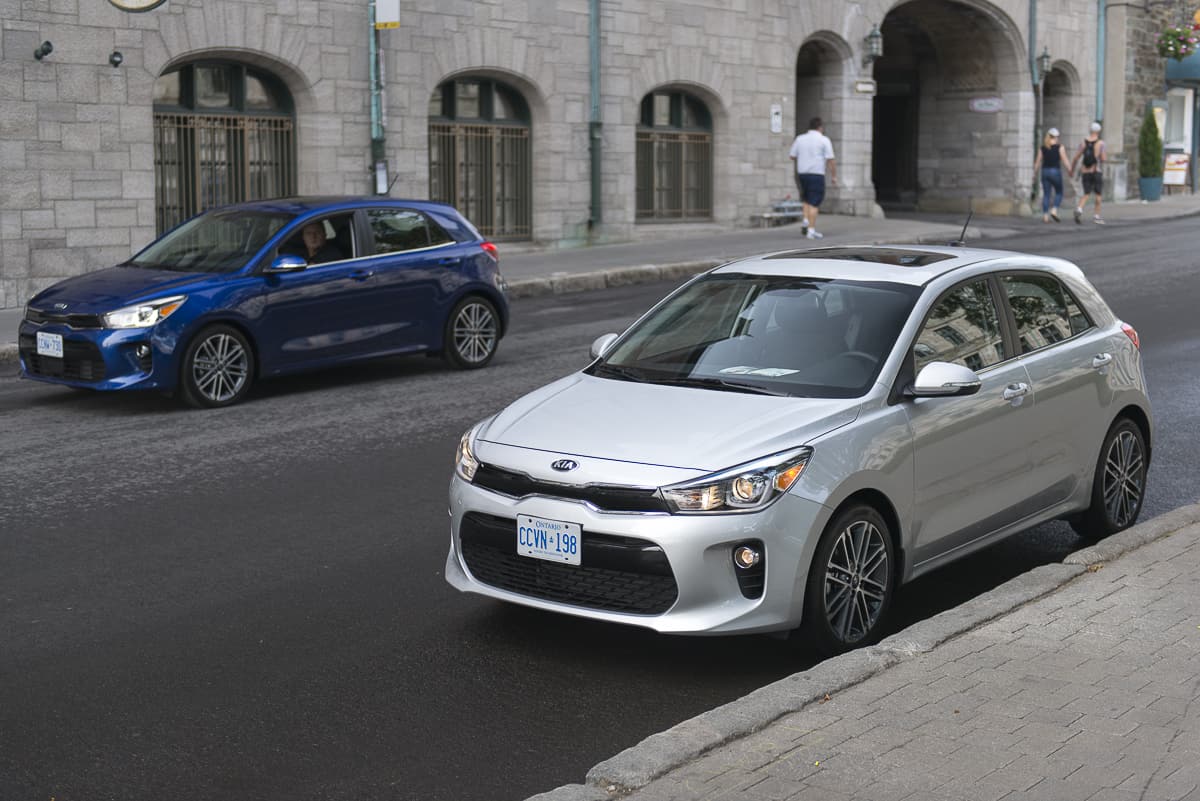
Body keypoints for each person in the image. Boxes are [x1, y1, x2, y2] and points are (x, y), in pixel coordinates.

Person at [788, 117, 837, 239]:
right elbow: (830, 159)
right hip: (816, 174)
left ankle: (805, 219)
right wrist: (834, 176)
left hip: (802, 173)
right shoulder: (824, 140)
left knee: (806, 198)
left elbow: (792, 156)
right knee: (815, 202)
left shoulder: (800, 139)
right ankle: (811, 230)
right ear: (820, 127)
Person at [1032, 127, 1072, 223]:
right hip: (1055, 171)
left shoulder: (1042, 148)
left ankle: (1045, 216)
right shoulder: (1060, 147)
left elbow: (1037, 162)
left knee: (1046, 194)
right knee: (1059, 192)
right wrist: (1070, 169)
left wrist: (1034, 174)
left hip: (1044, 172)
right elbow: (1065, 160)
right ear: (1056, 137)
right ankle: (1054, 210)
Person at [1070, 122, 1106, 225]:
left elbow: (1076, 158)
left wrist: (1072, 170)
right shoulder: (1101, 143)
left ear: (1090, 130)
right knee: (1098, 194)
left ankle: (1079, 208)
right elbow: (1103, 158)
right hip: (1096, 171)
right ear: (1099, 131)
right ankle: (1096, 216)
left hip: (1085, 171)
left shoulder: (1083, 143)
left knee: (1086, 193)